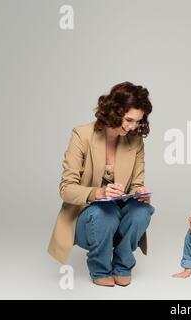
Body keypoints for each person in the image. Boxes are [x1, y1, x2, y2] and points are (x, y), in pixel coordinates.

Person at [48, 81, 155, 287]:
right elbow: (66, 189)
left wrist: (140, 192)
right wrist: (100, 192)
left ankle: (122, 265)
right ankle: (99, 268)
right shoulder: (82, 135)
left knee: (143, 210)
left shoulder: (135, 140)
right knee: (104, 212)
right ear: (114, 111)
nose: (133, 126)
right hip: (89, 218)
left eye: (138, 121)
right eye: (129, 119)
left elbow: (136, 183)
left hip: (119, 216)